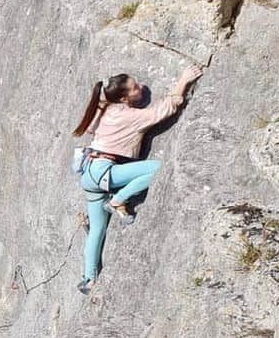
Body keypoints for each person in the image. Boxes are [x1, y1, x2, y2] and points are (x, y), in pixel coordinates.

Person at [72, 65, 203, 294]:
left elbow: (93, 127)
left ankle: (88, 279)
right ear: (124, 98)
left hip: (89, 172)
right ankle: (117, 200)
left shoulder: (106, 108)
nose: (140, 88)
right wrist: (183, 81)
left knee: (97, 231)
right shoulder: (128, 116)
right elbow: (162, 111)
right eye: (134, 88)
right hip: (104, 171)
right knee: (159, 169)